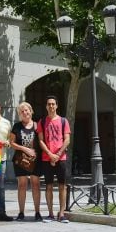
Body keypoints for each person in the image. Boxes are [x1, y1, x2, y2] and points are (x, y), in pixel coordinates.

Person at [37, 95, 71, 223]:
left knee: (62, 186)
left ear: (56, 106)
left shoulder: (63, 121)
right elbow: (40, 140)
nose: (51, 106)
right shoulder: (42, 122)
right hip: (46, 158)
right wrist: (50, 155)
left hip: (61, 158)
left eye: (53, 104)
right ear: (46, 106)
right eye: (49, 104)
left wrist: (58, 154)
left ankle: (61, 214)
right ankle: (50, 214)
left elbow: (67, 139)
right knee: (49, 186)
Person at [9, 101, 42, 222]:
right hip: (20, 160)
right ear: (19, 114)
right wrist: (25, 149)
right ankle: (21, 212)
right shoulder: (16, 126)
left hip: (35, 161)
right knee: (22, 185)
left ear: (31, 111)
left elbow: (42, 142)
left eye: (26, 110)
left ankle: (37, 212)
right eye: (22, 111)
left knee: (35, 185)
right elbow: (11, 143)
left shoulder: (37, 126)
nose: (24, 113)